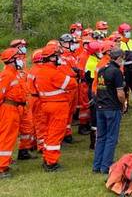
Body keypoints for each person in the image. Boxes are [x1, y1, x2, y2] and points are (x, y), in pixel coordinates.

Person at [34, 43, 77, 172]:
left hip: (46, 105)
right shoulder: (54, 73)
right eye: (58, 56)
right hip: (57, 106)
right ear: (52, 58)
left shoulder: (41, 71)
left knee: (48, 134)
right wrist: (68, 76)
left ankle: (47, 158)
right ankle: (51, 163)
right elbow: (72, 83)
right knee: (55, 135)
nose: (60, 58)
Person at [93, 48, 126, 174]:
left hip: (100, 108)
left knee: (101, 137)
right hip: (112, 108)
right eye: (122, 58)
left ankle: (97, 166)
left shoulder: (102, 70)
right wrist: (123, 104)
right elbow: (120, 93)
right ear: (118, 58)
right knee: (112, 138)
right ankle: (106, 166)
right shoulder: (116, 72)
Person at [0, 47, 28, 178]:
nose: (21, 60)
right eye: (18, 58)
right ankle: (1, 168)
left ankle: (5, 162)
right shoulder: (6, 75)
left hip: (15, 108)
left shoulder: (14, 73)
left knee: (10, 138)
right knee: (6, 138)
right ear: (11, 60)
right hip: (8, 109)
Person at [9, 39, 37, 159]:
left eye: (25, 46)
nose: (24, 48)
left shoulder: (23, 62)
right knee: (11, 131)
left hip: (25, 100)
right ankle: (5, 160)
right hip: (15, 103)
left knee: (28, 127)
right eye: (22, 46)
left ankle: (24, 150)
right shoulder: (11, 65)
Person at [58, 33, 80, 143]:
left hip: (74, 85)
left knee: (71, 111)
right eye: (69, 42)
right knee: (65, 112)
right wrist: (75, 72)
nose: (72, 44)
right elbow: (66, 71)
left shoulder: (71, 55)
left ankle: (67, 132)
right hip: (67, 87)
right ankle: (63, 135)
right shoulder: (61, 57)